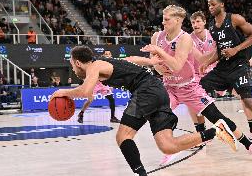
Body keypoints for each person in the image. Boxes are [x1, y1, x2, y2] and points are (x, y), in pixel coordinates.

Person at [51, 45, 237, 176]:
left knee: (123, 136)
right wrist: (150, 61)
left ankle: (140, 174)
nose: (73, 70)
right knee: (167, 145)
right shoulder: (105, 62)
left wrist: (61, 92)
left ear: (76, 62)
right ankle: (216, 131)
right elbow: (131, 60)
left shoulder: (94, 65)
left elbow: (85, 91)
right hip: (159, 91)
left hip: (146, 90)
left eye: (72, 65)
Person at [139, 5, 252, 165]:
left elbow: (185, 63)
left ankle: (251, 147)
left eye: (166, 19)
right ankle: (171, 148)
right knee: (158, 116)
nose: (163, 22)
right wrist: (158, 66)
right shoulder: (157, 37)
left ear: (177, 20)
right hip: (169, 88)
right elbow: (155, 64)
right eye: (163, 19)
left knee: (219, 118)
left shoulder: (185, 38)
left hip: (189, 87)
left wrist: (220, 55)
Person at [199, 0, 252, 152]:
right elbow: (219, 50)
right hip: (223, 68)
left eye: (213, 4)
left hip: (239, 66)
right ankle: (219, 126)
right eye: (208, 4)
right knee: (198, 89)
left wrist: (236, 49)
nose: (211, 7)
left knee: (248, 101)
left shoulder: (234, 18)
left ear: (222, 4)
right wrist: (207, 62)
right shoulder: (211, 26)